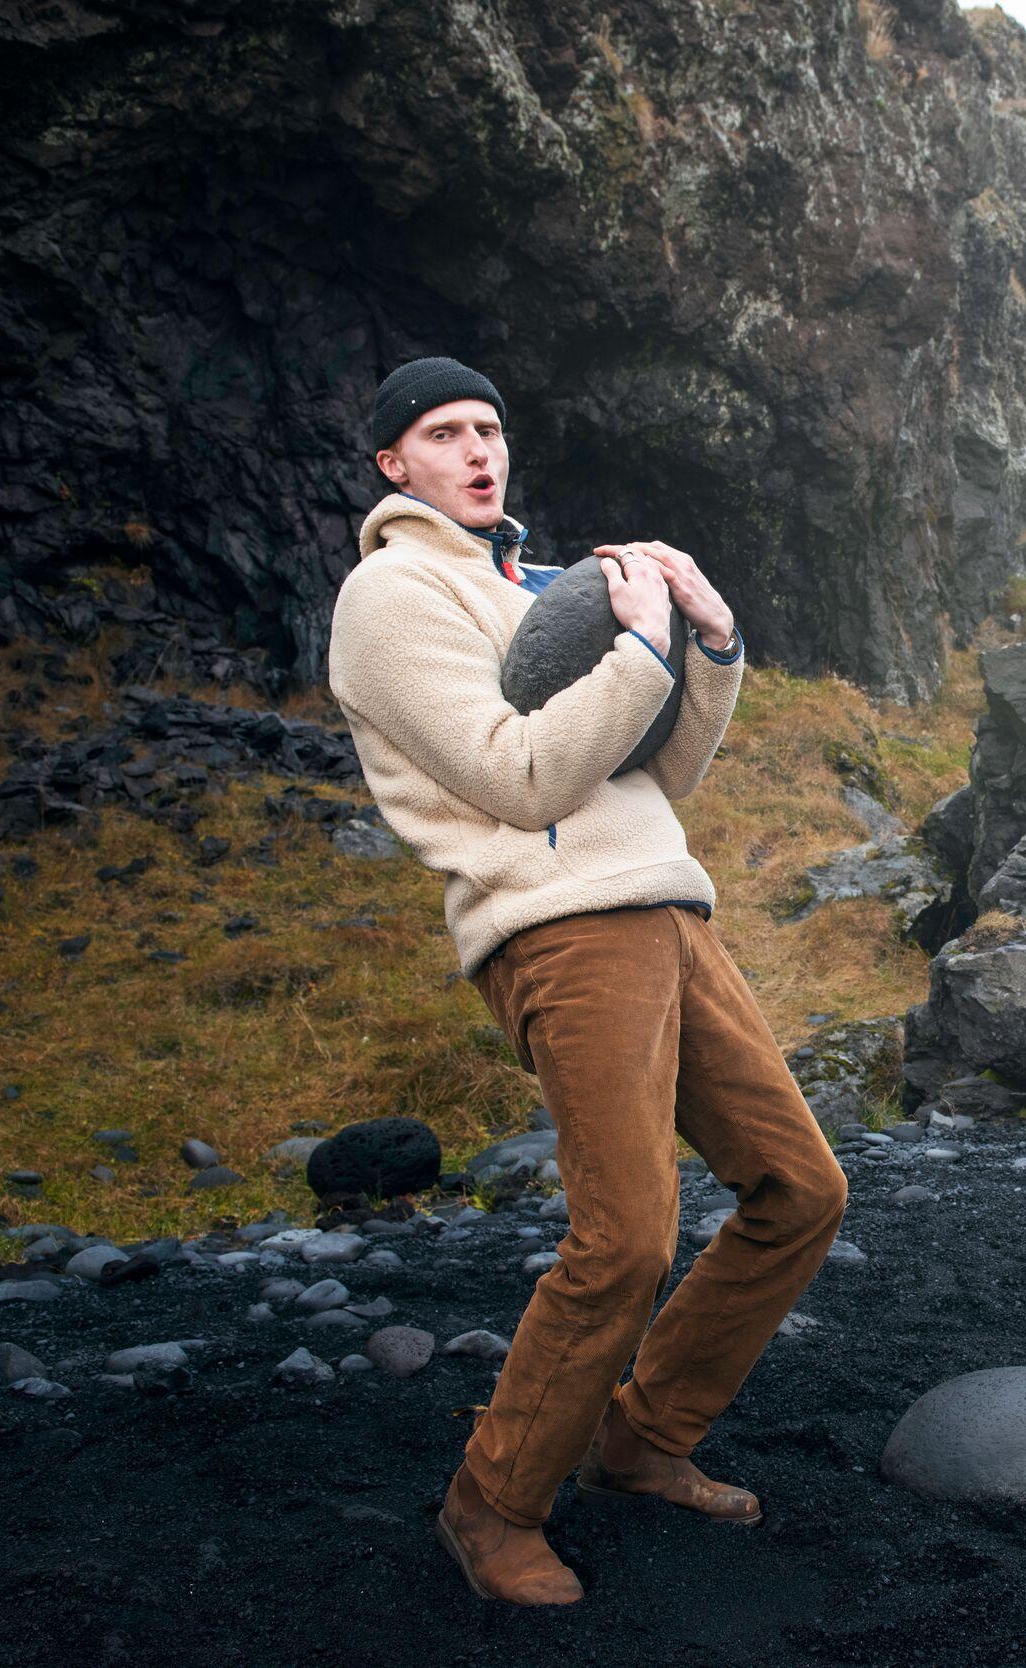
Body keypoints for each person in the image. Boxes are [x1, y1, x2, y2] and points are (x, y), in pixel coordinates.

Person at [325, 356, 851, 1607]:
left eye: (490, 428)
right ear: (393, 466)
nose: (476, 449)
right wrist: (639, 646)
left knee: (802, 1189)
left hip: (669, 907)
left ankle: (642, 1438)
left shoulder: (539, 584)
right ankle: (491, 1505)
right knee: (624, 1240)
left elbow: (652, 777)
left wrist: (707, 643)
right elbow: (519, 779)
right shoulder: (390, 594)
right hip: (559, 929)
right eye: (444, 433)